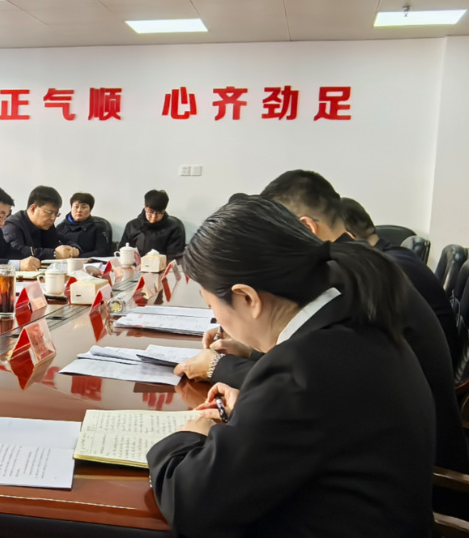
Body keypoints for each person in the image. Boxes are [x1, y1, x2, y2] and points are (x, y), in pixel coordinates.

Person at [148, 195, 434, 537]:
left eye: (213, 307)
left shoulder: (301, 369)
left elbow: (191, 506)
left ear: (248, 298)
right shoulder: (357, 314)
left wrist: (191, 433)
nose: (218, 320)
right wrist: (256, 408)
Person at [175, 169, 469, 478]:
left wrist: (219, 367)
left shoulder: (364, 285)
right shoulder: (357, 271)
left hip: (426, 473)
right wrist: (251, 352)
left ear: (305, 228)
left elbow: (313, 380)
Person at [341, 197, 459, 367]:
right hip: (433, 363)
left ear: (348, 237)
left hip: (429, 372)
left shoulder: (386, 271)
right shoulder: (398, 255)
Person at [2, 186, 79, 260]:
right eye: (49, 212)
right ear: (33, 209)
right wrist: (54, 254)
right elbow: (16, 252)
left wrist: (74, 249)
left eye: (56, 214)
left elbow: (64, 240)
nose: (53, 218)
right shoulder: (12, 225)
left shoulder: (47, 225)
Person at [117, 189, 185, 257]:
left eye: (159, 213)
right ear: (145, 207)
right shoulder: (132, 226)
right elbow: (122, 252)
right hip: (134, 263)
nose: (154, 217)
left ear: (164, 210)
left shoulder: (174, 228)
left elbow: (174, 256)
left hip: (162, 263)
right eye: (151, 212)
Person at [55, 192, 110, 257]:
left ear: (90, 210)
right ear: (71, 207)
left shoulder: (98, 227)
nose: (79, 210)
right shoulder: (61, 227)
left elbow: (102, 252)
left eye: (83, 207)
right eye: (76, 207)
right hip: (64, 261)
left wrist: (78, 256)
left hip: (88, 261)